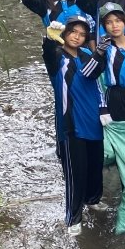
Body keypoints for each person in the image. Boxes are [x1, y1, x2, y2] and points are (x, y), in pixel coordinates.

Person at [42, 15, 106, 236]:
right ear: (65, 33)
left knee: (95, 167)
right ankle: (73, 217)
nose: (77, 37)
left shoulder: (87, 54)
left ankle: (93, 199)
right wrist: (49, 40)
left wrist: (100, 54)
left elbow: (95, 76)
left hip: (93, 121)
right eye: (73, 32)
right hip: (71, 124)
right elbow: (48, 53)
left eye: (82, 34)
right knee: (75, 173)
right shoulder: (58, 58)